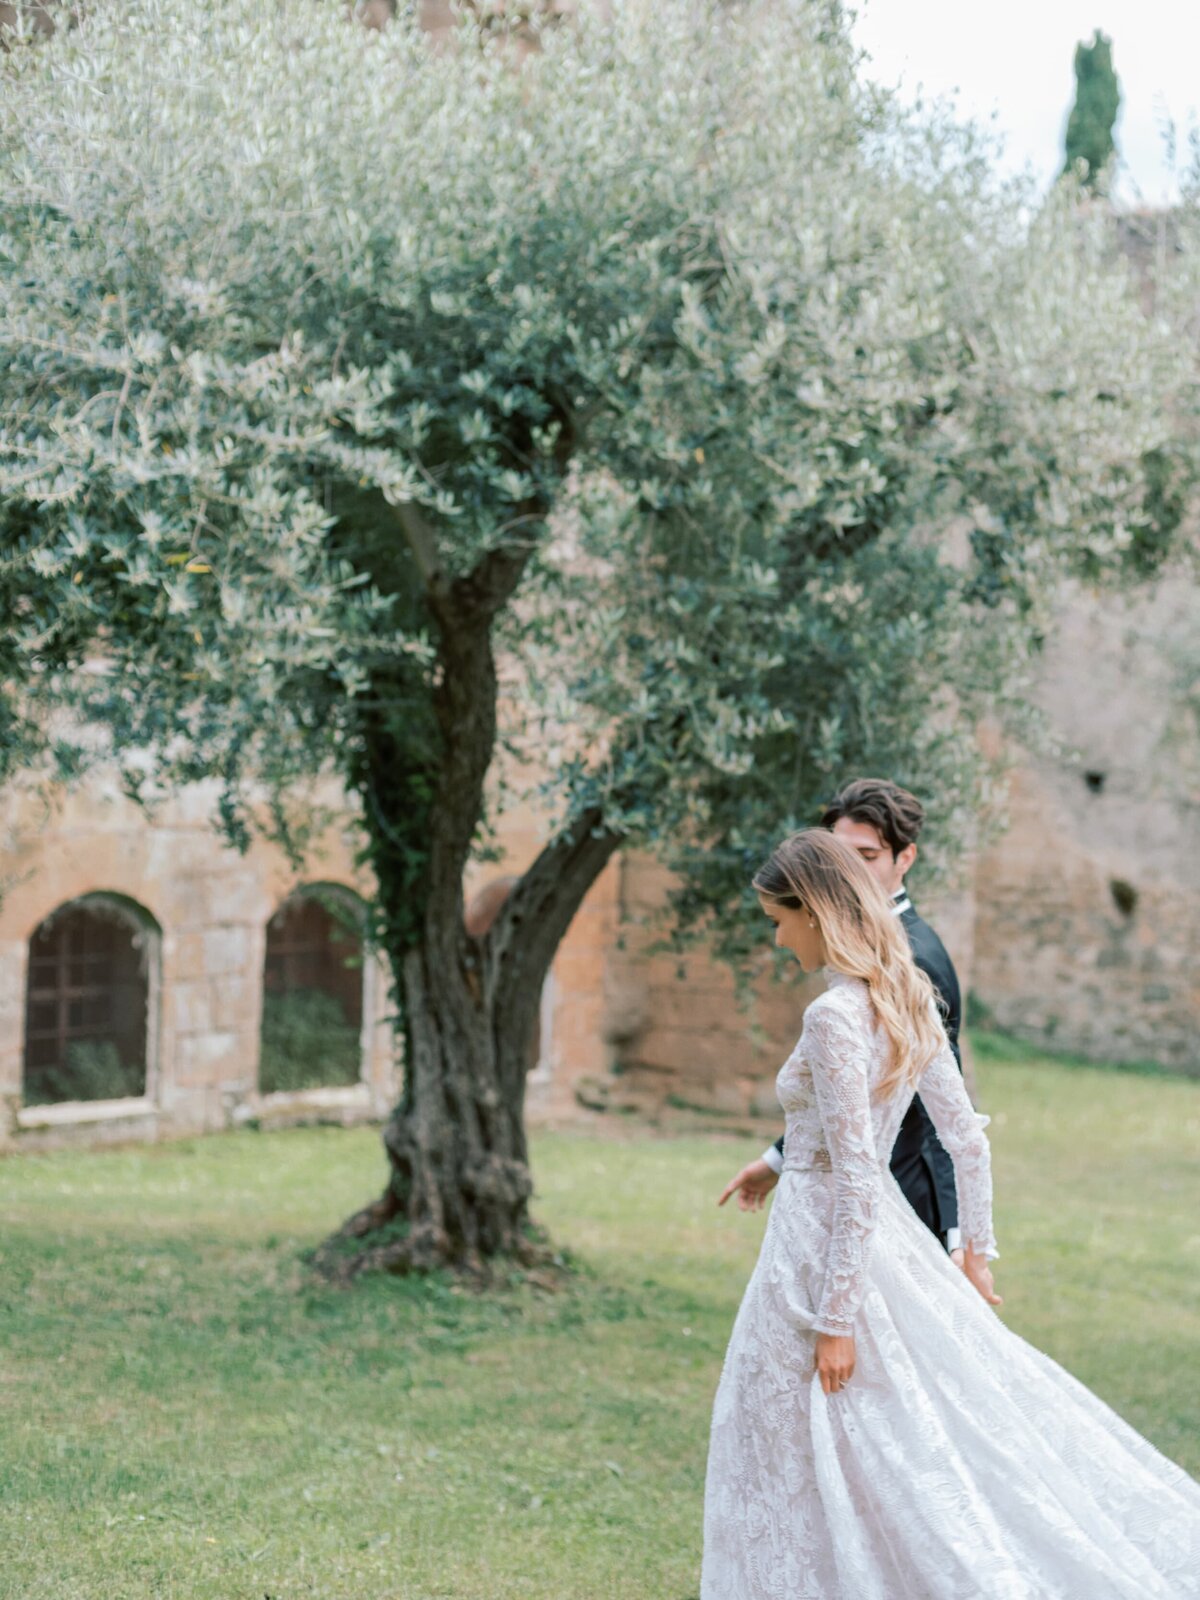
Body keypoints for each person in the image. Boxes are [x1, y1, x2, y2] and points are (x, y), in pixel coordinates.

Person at [701, 829, 1199, 1600]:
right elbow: (968, 1138)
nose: (776, 935)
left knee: (784, 1427)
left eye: (779, 917)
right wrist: (975, 1252)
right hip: (881, 1238)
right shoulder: (903, 995)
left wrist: (835, 1319)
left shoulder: (835, 1015)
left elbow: (861, 1172)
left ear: (816, 913)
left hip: (821, 1244)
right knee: (873, 1427)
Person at [719, 779, 964, 1260]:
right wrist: (778, 1159)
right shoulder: (851, 946)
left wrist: (958, 1235)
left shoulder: (915, 958)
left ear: (905, 859)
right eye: (840, 855)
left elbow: (941, 1107)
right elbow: (849, 1091)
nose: (849, 871)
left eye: (867, 857)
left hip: (900, 1202)